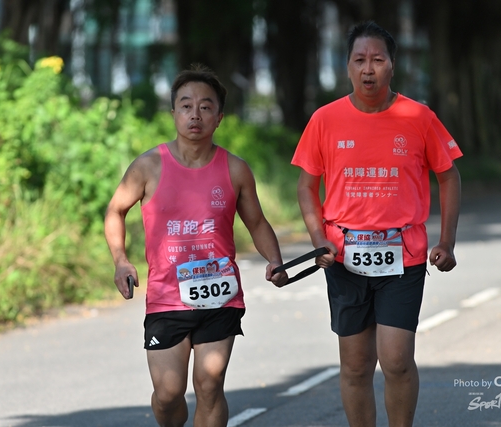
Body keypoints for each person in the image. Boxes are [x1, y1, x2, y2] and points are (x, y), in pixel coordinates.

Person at [291, 21, 462, 427]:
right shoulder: (325, 119)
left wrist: (447, 241)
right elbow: (306, 186)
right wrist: (318, 240)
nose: (368, 69)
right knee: (355, 365)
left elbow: (449, 176)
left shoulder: (419, 117)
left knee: (397, 360)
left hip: (404, 257)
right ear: (347, 66)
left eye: (378, 60)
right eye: (359, 60)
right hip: (344, 258)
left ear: (392, 65)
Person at [104, 64, 288, 427]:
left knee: (209, 383)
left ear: (219, 118)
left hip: (220, 294)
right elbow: (115, 211)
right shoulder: (148, 166)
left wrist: (275, 260)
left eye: (205, 107)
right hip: (166, 296)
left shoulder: (235, 169)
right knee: (168, 393)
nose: (195, 115)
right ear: (173, 113)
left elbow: (256, 222)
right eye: (186, 106)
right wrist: (121, 260)